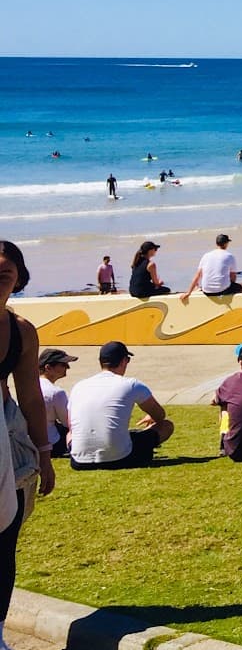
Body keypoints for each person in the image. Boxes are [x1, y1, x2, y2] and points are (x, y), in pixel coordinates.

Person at [0, 241, 53, 632]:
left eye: (9, 266)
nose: (3, 269)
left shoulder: (20, 331)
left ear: (19, 276)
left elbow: (32, 396)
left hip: (10, 437)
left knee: (6, 537)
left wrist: (45, 452)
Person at [68, 340, 173, 469]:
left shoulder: (79, 386)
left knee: (70, 433)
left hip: (79, 461)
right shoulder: (131, 384)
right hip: (120, 458)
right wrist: (152, 417)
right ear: (123, 361)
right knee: (167, 426)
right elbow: (160, 415)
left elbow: (71, 427)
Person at [180, 234, 242, 302]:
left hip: (207, 291)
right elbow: (233, 275)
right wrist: (230, 285)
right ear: (226, 243)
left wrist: (189, 292)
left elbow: (197, 275)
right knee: (240, 287)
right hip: (223, 291)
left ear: (216, 243)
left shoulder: (206, 255)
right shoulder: (229, 256)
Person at [37, 348, 74, 457]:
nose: (67, 367)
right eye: (63, 365)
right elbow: (68, 422)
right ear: (48, 367)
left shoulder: (28, 387)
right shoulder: (56, 392)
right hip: (52, 442)